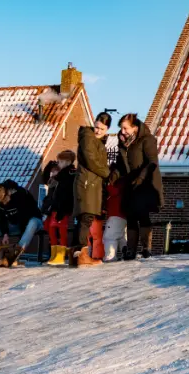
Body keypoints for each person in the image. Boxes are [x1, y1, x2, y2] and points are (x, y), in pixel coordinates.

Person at [117, 113, 164, 259]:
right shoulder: (125, 144)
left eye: (125, 128)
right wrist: (122, 148)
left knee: (143, 215)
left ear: (135, 127)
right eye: (121, 129)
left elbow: (152, 162)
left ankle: (146, 248)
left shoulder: (147, 140)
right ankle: (131, 249)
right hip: (129, 184)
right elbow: (122, 165)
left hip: (144, 184)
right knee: (131, 216)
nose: (122, 131)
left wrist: (141, 177)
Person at [70, 112, 111, 267]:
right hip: (87, 184)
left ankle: (75, 257)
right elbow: (90, 160)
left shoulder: (97, 142)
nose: (98, 131)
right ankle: (81, 257)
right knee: (85, 218)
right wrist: (107, 173)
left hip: (91, 184)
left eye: (102, 129)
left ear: (107, 129)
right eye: (97, 127)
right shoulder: (88, 137)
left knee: (83, 220)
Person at [0, 180, 44, 265]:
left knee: (33, 222)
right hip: (14, 223)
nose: (3, 204)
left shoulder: (21, 194)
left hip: (32, 222)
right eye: (1, 202)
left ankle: (14, 254)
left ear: (9, 193)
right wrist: (5, 233)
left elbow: (25, 217)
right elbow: (1, 217)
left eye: (5, 201)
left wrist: (20, 238)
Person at [46, 150, 77, 265]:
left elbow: (66, 194)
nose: (58, 163)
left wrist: (62, 210)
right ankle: (54, 254)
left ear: (68, 162)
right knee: (52, 229)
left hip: (63, 208)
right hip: (56, 207)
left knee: (61, 230)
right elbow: (48, 182)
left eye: (61, 161)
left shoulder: (69, 175)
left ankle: (60, 255)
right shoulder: (61, 175)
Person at [103, 166, 128, 261]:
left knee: (110, 236)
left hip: (115, 216)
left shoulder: (115, 187)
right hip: (123, 217)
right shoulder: (124, 186)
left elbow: (113, 192)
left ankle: (110, 257)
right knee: (120, 236)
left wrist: (108, 185)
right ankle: (125, 250)